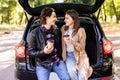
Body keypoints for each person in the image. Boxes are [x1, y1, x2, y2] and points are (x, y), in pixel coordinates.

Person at [28, 7, 70, 80]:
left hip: (56, 60)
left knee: (66, 78)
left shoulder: (56, 31)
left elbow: (60, 46)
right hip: (42, 64)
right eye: (54, 16)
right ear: (47, 17)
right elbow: (30, 52)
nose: (56, 19)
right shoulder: (34, 33)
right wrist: (43, 52)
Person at [61, 9, 92, 80]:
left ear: (74, 19)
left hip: (80, 55)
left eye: (67, 18)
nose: (65, 20)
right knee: (71, 72)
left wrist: (72, 42)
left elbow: (82, 48)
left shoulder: (81, 30)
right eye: (65, 18)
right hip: (69, 56)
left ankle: (86, 67)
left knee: (81, 77)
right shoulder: (63, 29)